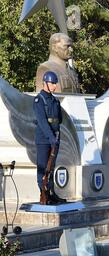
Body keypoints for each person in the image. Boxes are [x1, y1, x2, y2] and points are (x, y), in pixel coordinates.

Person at [33, 71, 67, 205]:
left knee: (51, 167)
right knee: (43, 168)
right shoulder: (39, 100)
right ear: (46, 83)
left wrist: (55, 137)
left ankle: (51, 193)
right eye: (52, 83)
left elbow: (60, 119)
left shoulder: (55, 100)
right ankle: (43, 193)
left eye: (55, 83)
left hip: (55, 138)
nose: (54, 86)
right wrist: (51, 137)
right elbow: (42, 122)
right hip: (43, 139)